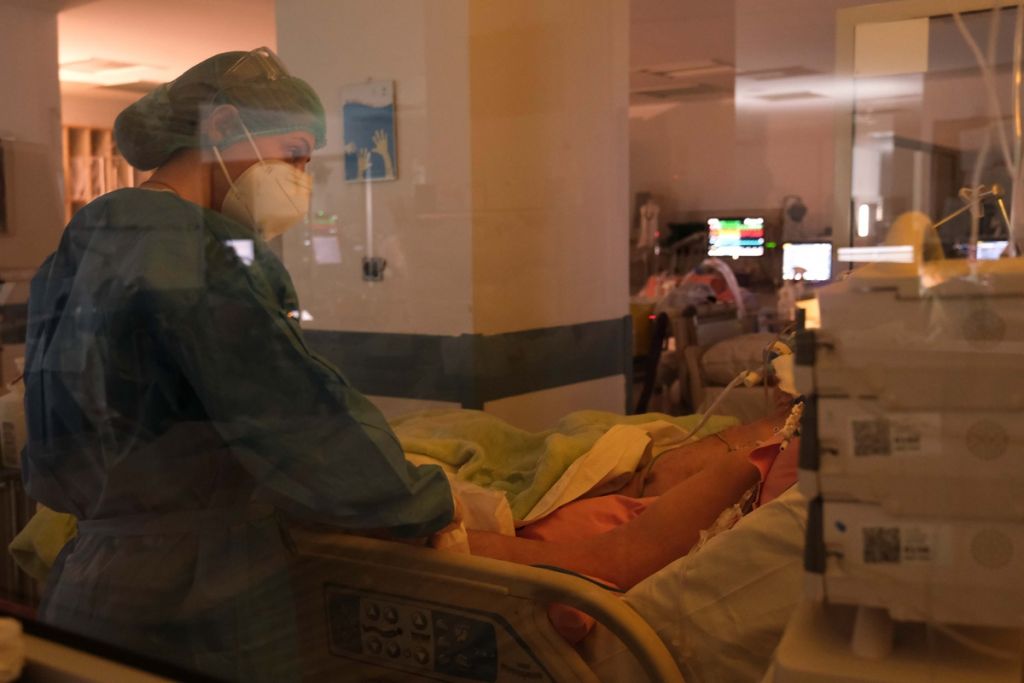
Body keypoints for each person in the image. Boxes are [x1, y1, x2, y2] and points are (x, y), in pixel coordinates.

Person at [22, 48, 454, 681]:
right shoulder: (200, 251)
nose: (300, 178)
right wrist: (429, 502)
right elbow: (297, 419)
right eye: (294, 154)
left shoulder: (86, 240)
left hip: (92, 583)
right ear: (224, 127)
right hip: (195, 595)